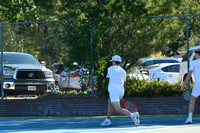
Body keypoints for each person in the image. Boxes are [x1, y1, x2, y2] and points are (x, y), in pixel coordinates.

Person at [101, 55, 140, 127]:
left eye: (112, 61)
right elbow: (123, 84)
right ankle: (107, 120)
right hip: (121, 91)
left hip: (114, 91)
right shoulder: (123, 71)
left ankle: (132, 115)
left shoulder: (109, 69)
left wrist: (114, 93)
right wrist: (121, 96)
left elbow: (110, 80)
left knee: (118, 109)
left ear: (113, 62)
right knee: (110, 102)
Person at [181, 49, 200, 124]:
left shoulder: (194, 62)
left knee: (192, 100)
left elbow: (189, 75)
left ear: (198, 54)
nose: (195, 56)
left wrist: (183, 85)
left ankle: (189, 118)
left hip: (198, 83)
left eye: (195, 54)